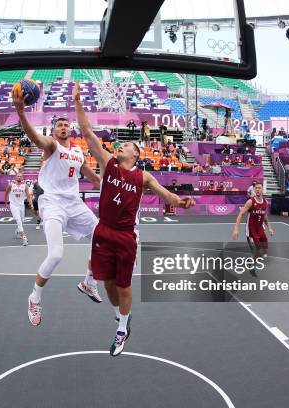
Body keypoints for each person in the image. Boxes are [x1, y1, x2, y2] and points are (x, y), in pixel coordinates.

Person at [74, 83, 194, 356]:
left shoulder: (143, 177)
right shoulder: (108, 164)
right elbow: (87, 132)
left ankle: (121, 331)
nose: (120, 146)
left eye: (126, 145)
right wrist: (79, 103)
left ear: (135, 155)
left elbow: (168, 196)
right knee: (107, 282)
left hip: (127, 236)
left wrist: (180, 201)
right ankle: (120, 317)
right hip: (103, 231)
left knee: (123, 284)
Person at [13, 89, 102, 327]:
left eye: (66, 124)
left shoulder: (77, 152)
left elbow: (95, 179)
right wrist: (22, 112)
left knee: (103, 238)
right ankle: (34, 298)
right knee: (56, 255)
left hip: (74, 204)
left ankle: (89, 283)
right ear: (53, 130)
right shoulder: (51, 146)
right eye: (59, 125)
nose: (63, 127)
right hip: (52, 203)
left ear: (71, 129)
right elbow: (35, 137)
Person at [232, 181, 274, 277]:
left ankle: (251, 261)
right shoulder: (251, 201)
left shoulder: (265, 202)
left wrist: (269, 227)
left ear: (262, 189)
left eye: (259, 188)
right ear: (254, 190)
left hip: (260, 230)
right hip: (251, 231)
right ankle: (251, 265)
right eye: (256, 188)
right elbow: (241, 214)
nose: (258, 189)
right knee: (258, 251)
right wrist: (236, 229)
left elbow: (264, 216)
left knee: (265, 251)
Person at [5, 173, 33, 246]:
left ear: (22, 178)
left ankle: (18, 231)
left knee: (22, 220)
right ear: (15, 177)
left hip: (21, 205)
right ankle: (25, 238)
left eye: (20, 176)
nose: (19, 177)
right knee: (18, 220)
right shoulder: (11, 185)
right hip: (13, 205)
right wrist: (6, 202)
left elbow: (28, 196)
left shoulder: (25, 186)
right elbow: (6, 193)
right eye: (18, 176)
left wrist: (31, 204)